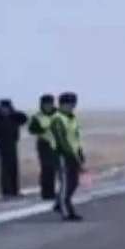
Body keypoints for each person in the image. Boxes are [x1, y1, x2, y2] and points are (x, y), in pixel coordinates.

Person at [50, 92, 86, 221]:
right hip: (62, 155)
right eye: (69, 104)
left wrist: (80, 154)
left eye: (73, 104)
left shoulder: (72, 118)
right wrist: (70, 155)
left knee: (74, 183)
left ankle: (59, 204)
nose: (72, 106)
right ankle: (66, 212)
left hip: (73, 154)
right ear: (62, 104)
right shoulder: (58, 119)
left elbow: (75, 138)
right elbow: (61, 140)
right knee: (65, 183)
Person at [0, 99, 27, 197]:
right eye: (3, 108)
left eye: (7, 108)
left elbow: (24, 119)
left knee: (14, 168)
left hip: (13, 144)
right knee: (5, 169)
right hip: (2, 146)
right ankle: (6, 192)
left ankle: (15, 191)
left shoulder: (13, 117)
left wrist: (14, 113)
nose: (5, 110)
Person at [28, 94, 59, 200]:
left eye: (50, 103)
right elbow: (32, 129)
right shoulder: (38, 116)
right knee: (46, 168)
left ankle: (52, 191)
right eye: (46, 104)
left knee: (54, 169)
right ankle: (46, 193)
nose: (48, 106)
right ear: (42, 104)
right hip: (44, 145)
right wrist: (43, 130)